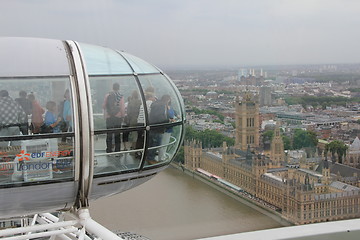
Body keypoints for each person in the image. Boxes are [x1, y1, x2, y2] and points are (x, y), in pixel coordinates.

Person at [147, 94, 171, 162]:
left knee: (151, 143)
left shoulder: (155, 104)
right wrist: (168, 120)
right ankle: (151, 158)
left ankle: (149, 157)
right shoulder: (161, 106)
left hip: (152, 126)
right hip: (158, 128)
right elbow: (160, 117)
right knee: (155, 144)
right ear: (167, 100)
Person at [103, 83, 125, 153]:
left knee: (109, 134)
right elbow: (122, 108)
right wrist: (123, 116)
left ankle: (109, 149)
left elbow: (104, 106)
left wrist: (106, 114)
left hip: (109, 117)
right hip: (117, 118)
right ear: (118, 88)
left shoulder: (108, 95)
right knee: (117, 135)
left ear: (112, 87)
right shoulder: (120, 96)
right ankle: (117, 150)